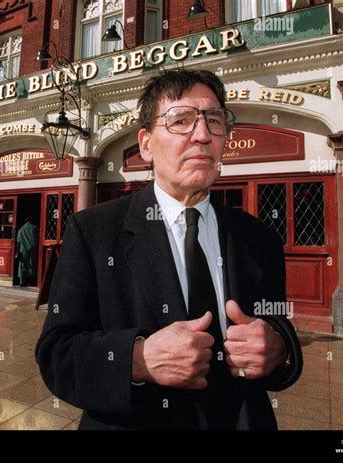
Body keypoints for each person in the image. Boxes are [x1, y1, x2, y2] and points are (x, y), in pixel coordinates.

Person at [35, 69, 303, 430]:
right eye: (181, 121)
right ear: (145, 144)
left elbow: (276, 324)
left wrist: (277, 348)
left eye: (214, 121)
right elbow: (56, 354)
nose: (203, 135)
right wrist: (137, 358)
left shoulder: (260, 238)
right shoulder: (93, 231)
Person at [16, 216, 38, 287]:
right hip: (33, 250)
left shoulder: (21, 230)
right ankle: (32, 281)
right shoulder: (35, 229)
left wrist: (17, 252)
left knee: (23, 265)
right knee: (32, 264)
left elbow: (18, 242)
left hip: (23, 250)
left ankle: (22, 281)